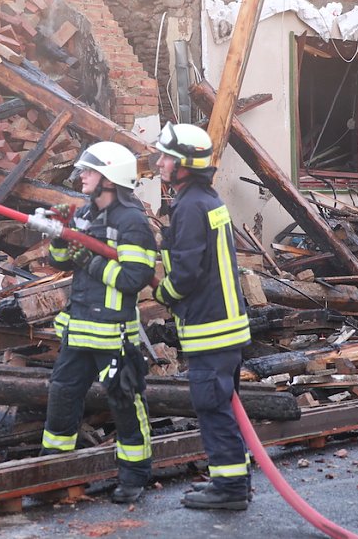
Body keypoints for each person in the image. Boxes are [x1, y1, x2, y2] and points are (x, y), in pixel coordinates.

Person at [41, 141, 157, 504]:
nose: (82, 176)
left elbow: (134, 278)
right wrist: (59, 232)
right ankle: (53, 472)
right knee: (62, 396)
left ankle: (134, 475)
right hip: (78, 329)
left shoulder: (132, 222)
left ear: (110, 178)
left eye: (89, 171)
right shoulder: (85, 213)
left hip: (113, 335)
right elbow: (61, 261)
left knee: (124, 402)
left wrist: (89, 261)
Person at [153, 122, 252, 511]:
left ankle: (229, 490)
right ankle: (235, 480)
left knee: (212, 407)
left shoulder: (191, 207)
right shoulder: (205, 199)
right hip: (226, 327)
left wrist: (162, 293)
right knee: (224, 407)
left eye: (166, 158)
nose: (159, 163)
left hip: (211, 329)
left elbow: (187, 273)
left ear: (184, 165)